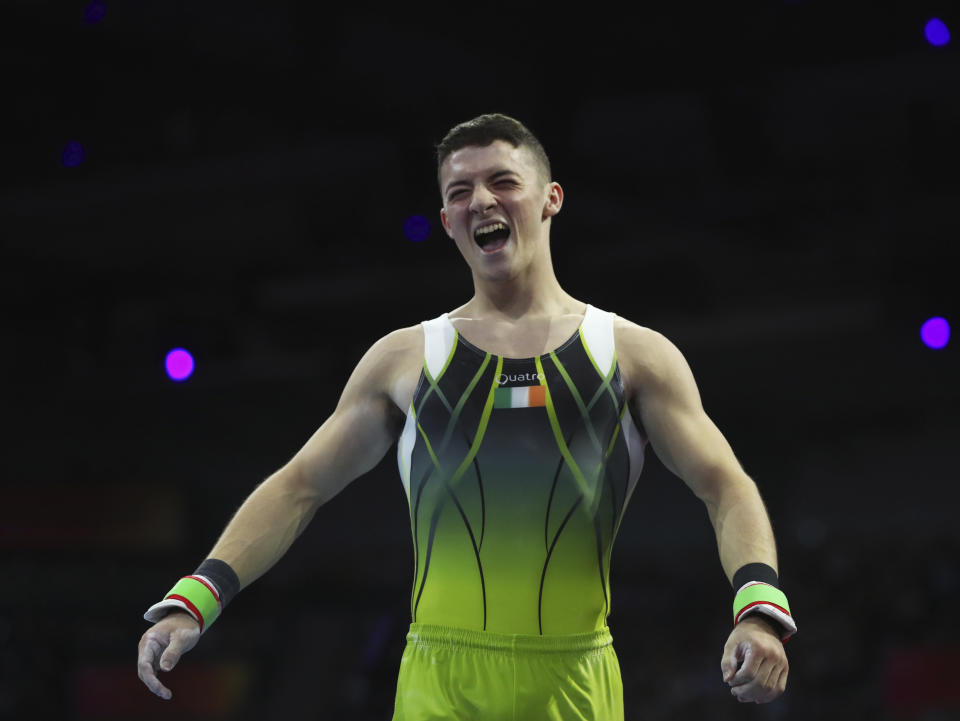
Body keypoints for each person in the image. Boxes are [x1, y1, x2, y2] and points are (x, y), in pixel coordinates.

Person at [137, 113, 796, 719]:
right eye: (459, 191)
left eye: (502, 181)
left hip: (573, 685)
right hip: (439, 684)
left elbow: (726, 484)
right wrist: (198, 596)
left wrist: (759, 610)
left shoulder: (631, 355)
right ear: (448, 222)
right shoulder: (403, 360)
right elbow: (299, 484)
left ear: (550, 199)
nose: (480, 199)